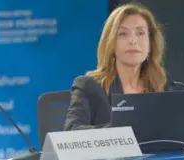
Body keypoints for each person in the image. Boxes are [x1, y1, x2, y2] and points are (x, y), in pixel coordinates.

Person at [64, 3, 176, 131]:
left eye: (140, 33)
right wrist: (123, 129)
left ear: (151, 42)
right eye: (123, 34)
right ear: (110, 43)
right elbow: (71, 130)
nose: (133, 40)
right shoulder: (89, 85)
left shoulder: (161, 81)